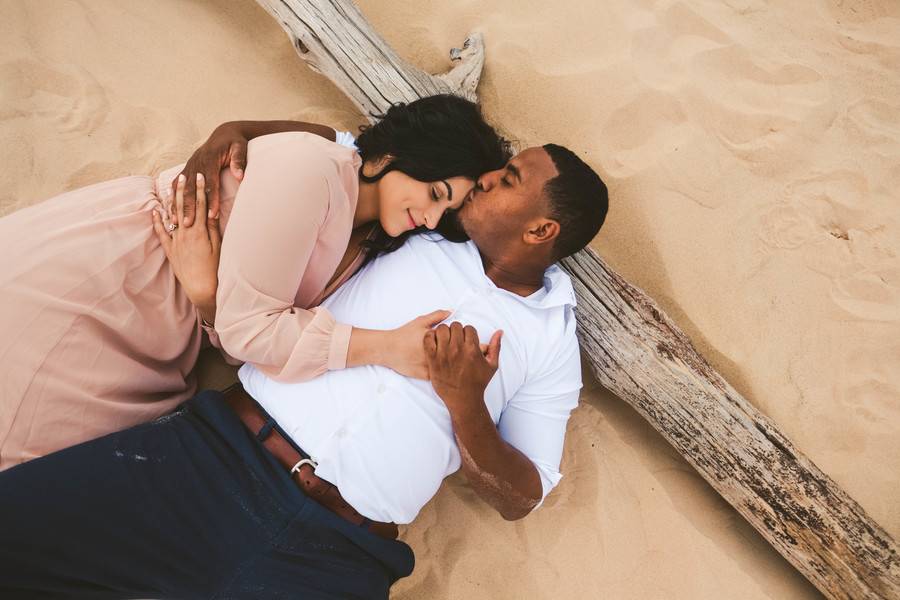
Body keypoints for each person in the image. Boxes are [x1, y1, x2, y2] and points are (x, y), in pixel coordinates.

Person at [0, 140, 609, 599]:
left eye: (505, 182)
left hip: (333, 553)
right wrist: (235, 131)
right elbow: (343, 156)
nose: (479, 184)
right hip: (209, 459)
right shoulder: (413, 229)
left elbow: (521, 496)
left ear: (541, 229)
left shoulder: (551, 341)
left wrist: (466, 402)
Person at [0, 95, 511, 470]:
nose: (431, 214)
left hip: (167, 328)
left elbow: (244, 340)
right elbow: (252, 333)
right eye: (436, 191)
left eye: (446, 209)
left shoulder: (367, 236)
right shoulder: (315, 170)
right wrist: (385, 348)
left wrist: (208, 299)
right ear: (396, 158)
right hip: (120, 273)